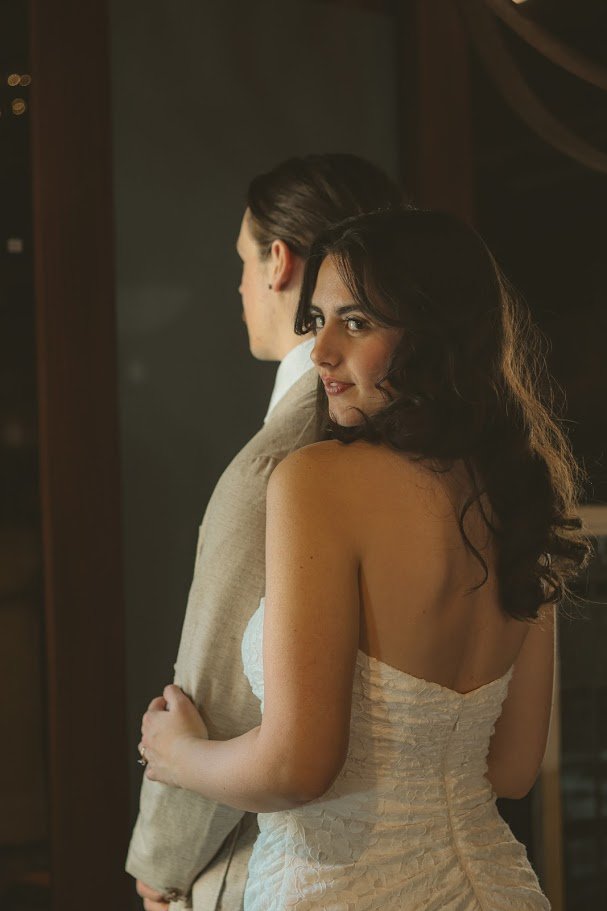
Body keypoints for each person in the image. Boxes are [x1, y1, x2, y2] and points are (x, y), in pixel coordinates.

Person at [139, 208, 590, 910]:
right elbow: (511, 767)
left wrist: (178, 755)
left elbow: (297, 766)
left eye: (355, 322)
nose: (320, 352)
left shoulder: (318, 480)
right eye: (314, 320)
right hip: (496, 887)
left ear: (433, 333)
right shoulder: (519, 490)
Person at [126, 156, 404, 911]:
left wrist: (160, 863)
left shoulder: (287, 460)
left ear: (278, 261)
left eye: (242, 262)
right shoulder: (445, 451)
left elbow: (216, 688)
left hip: (293, 861)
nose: (239, 288)